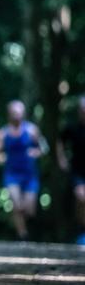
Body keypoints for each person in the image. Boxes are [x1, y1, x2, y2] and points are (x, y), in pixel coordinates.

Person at [0, 100, 46, 241]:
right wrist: (0, 158)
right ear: (9, 114)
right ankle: (22, 235)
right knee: (17, 205)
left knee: (29, 210)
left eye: (19, 113)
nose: (16, 116)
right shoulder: (3, 133)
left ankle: (21, 226)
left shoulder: (32, 130)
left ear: (23, 114)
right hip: (12, 174)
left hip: (29, 175)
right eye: (13, 113)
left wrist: (36, 152)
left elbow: (43, 147)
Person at [57, 95, 85, 245]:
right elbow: (60, 141)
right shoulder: (72, 127)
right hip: (77, 170)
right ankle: (82, 230)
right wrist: (62, 159)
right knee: (81, 196)